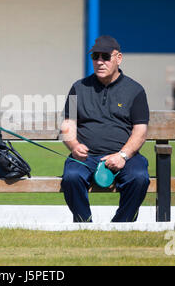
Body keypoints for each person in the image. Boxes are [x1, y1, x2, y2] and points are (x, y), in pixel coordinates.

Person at [60, 35, 150, 222]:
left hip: (125, 156)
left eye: (105, 57)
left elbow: (140, 131)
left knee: (139, 177)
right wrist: (74, 146)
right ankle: (84, 224)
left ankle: (121, 224)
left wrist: (123, 156)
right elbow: (68, 124)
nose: (100, 62)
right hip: (86, 157)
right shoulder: (79, 88)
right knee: (71, 177)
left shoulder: (135, 90)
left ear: (119, 58)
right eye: (95, 56)